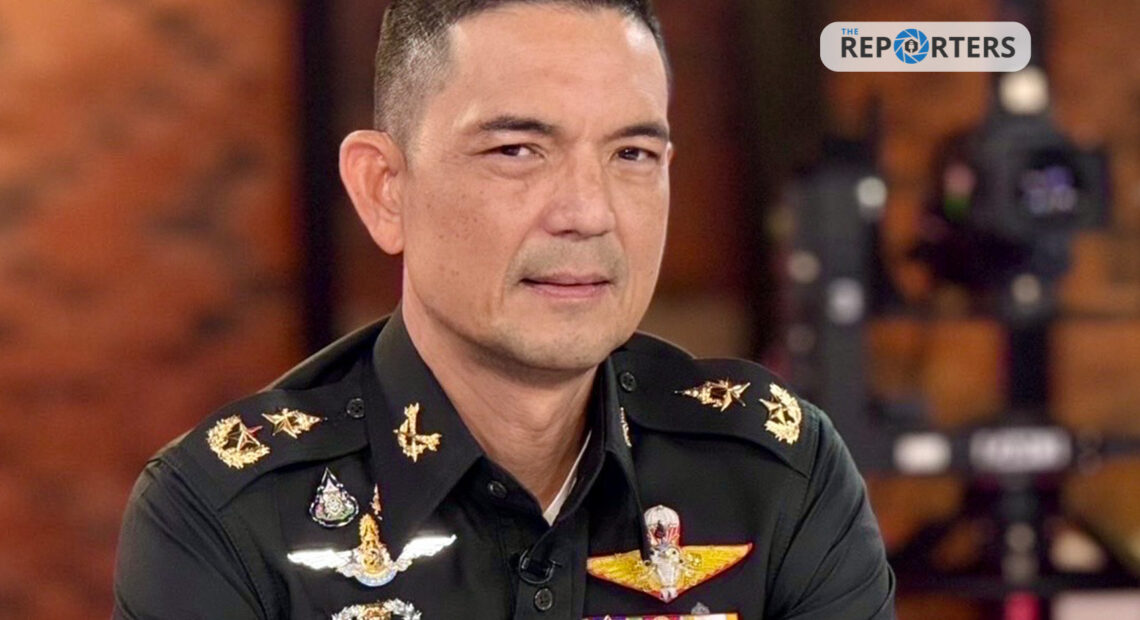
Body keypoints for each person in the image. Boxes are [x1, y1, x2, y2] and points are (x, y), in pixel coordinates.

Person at [112, 1, 896, 618]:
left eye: (632, 155)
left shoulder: (778, 478)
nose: (588, 212)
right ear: (384, 190)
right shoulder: (227, 516)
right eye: (517, 151)